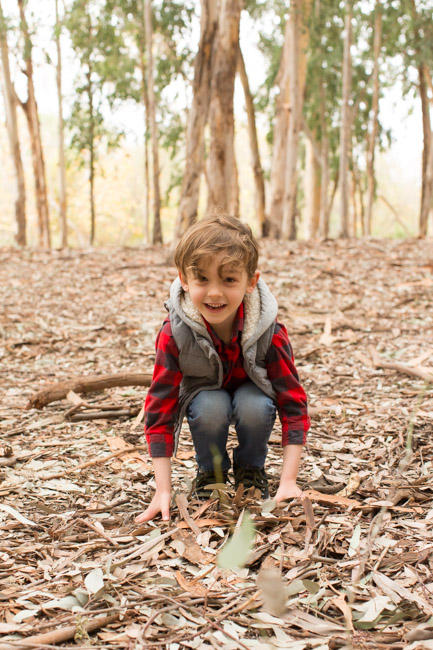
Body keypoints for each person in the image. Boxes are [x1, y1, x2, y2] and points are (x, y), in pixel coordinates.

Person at [135, 214, 310, 523]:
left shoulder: (269, 331)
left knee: (254, 404)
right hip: (204, 397)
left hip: (252, 394)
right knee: (211, 405)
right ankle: (211, 473)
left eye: (229, 279)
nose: (214, 293)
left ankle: (251, 470)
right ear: (184, 280)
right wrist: (163, 490)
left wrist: (289, 481)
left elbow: (292, 401)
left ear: (250, 281)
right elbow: (160, 406)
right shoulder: (175, 332)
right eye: (202, 279)